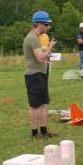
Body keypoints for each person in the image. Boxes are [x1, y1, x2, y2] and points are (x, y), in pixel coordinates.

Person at [24, 10, 58, 140]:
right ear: (39, 24)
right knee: (35, 106)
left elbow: (40, 54)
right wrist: (50, 47)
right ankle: (34, 133)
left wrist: (46, 50)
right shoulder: (32, 38)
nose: (48, 27)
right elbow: (40, 58)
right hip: (34, 76)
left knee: (44, 103)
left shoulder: (36, 37)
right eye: (46, 24)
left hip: (41, 74)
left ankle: (44, 131)